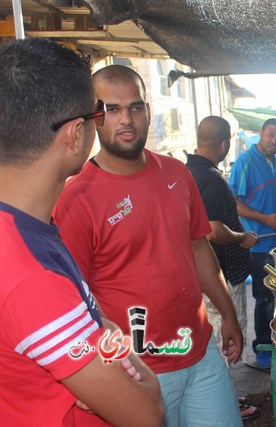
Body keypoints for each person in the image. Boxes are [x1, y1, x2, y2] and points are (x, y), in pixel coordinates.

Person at [54, 65, 243, 426]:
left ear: (148, 111)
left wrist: (229, 314)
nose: (126, 119)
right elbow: (73, 301)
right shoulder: (76, 199)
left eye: (136, 107)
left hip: (200, 354)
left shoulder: (177, 173)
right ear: (94, 117)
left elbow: (199, 250)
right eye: (112, 109)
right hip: (138, 371)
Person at [0, 39, 162, 426]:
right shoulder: (31, 277)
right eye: (99, 114)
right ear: (75, 135)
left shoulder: (28, 228)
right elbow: (146, 409)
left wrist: (99, 337)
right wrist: (111, 340)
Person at [185, 116, 260, 421]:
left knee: (216, 340)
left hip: (202, 275)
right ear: (224, 144)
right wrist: (242, 237)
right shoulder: (212, 179)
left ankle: (225, 396)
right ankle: (226, 403)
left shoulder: (189, 171)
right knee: (225, 339)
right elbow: (213, 230)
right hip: (220, 275)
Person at [229, 118, 276, 370]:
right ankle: (262, 347)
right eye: (271, 134)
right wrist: (265, 219)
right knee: (263, 298)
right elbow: (234, 202)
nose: (274, 141)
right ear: (261, 133)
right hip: (258, 242)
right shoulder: (245, 161)